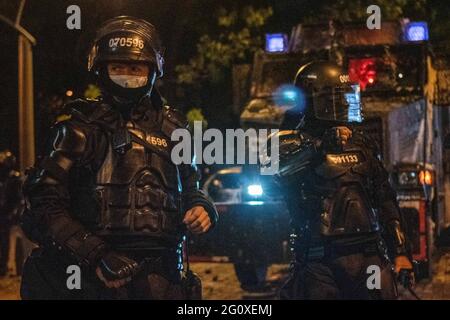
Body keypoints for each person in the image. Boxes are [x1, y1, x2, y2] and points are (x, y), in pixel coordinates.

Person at [20, 16, 218, 299]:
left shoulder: (176, 130)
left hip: (165, 279)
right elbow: (42, 206)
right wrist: (97, 255)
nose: (127, 75)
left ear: (153, 70)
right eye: (117, 67)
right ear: (101, 70)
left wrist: (203, 209)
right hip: (93, 282)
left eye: (136, 67)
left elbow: (190, 190)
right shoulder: (79, 131)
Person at [261, 61, 414, 299]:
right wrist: (318, 148)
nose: (344, 103)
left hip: (369, 256)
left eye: (345, 96)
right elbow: (271, 180)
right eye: (335, 97)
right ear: (314, 100)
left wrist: (401, 251)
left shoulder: (361, 144)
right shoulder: (287, 144)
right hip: (320, 262)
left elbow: (385, 198)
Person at [0, 150, 22, 276]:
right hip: (3, 215)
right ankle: (4, 267)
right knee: (3, 243)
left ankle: (12, 268)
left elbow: (18, 199)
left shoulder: (15, 178)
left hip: (11, 217)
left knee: (11, 243)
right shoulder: (3, 180)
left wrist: (13, 214)